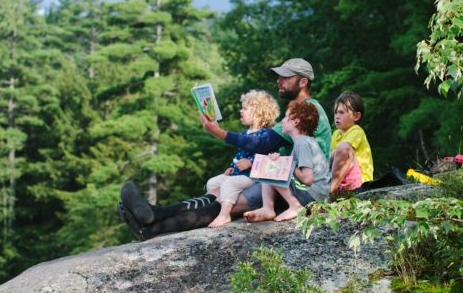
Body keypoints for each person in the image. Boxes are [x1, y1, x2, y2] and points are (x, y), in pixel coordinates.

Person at [118, 58, 332, 238]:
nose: (279, 80)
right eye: (280, 76)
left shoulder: (306, 111)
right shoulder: (297, 111)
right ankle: (155, 213)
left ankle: (152, 227)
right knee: (218, 193)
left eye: (286, 77)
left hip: (299, 189)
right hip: (285, 182)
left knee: (225, 203)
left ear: (303, 81)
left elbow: (262, 143)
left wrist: (218, 132)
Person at [244, 100, 331, 223]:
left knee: (271, 167)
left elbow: (307, 179)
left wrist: (286, 164)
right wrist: (281, 161)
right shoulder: (302, 142)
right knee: (270, 164)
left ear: (296, 121)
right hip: (315, 195)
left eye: (286, 117)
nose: (283, 121)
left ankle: (295, 206)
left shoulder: (303, 143)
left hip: (314, 196)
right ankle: (267, 208)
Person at [206, 90, 280, 228]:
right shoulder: (245, 133)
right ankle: (210, 208)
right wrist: (231, 167)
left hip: (253, 175)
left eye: (245, 108)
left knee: (229, 184)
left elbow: (268, 157)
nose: (241, 111)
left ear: (259, 112)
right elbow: (240, 155)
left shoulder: (267, 134)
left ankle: (225, 214)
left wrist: (251, 163)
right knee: (212, 183)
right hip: (238, 173)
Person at [328, 91, 373, 194]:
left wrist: (327, 156)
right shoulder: (336, 134)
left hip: (359, 182)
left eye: (342, 112)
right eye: (335, 112)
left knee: (343, 148)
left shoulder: (356, 131)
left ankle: (331, 190)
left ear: (356, 116)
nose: (337, 116)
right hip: (342, 178)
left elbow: (340, 152)